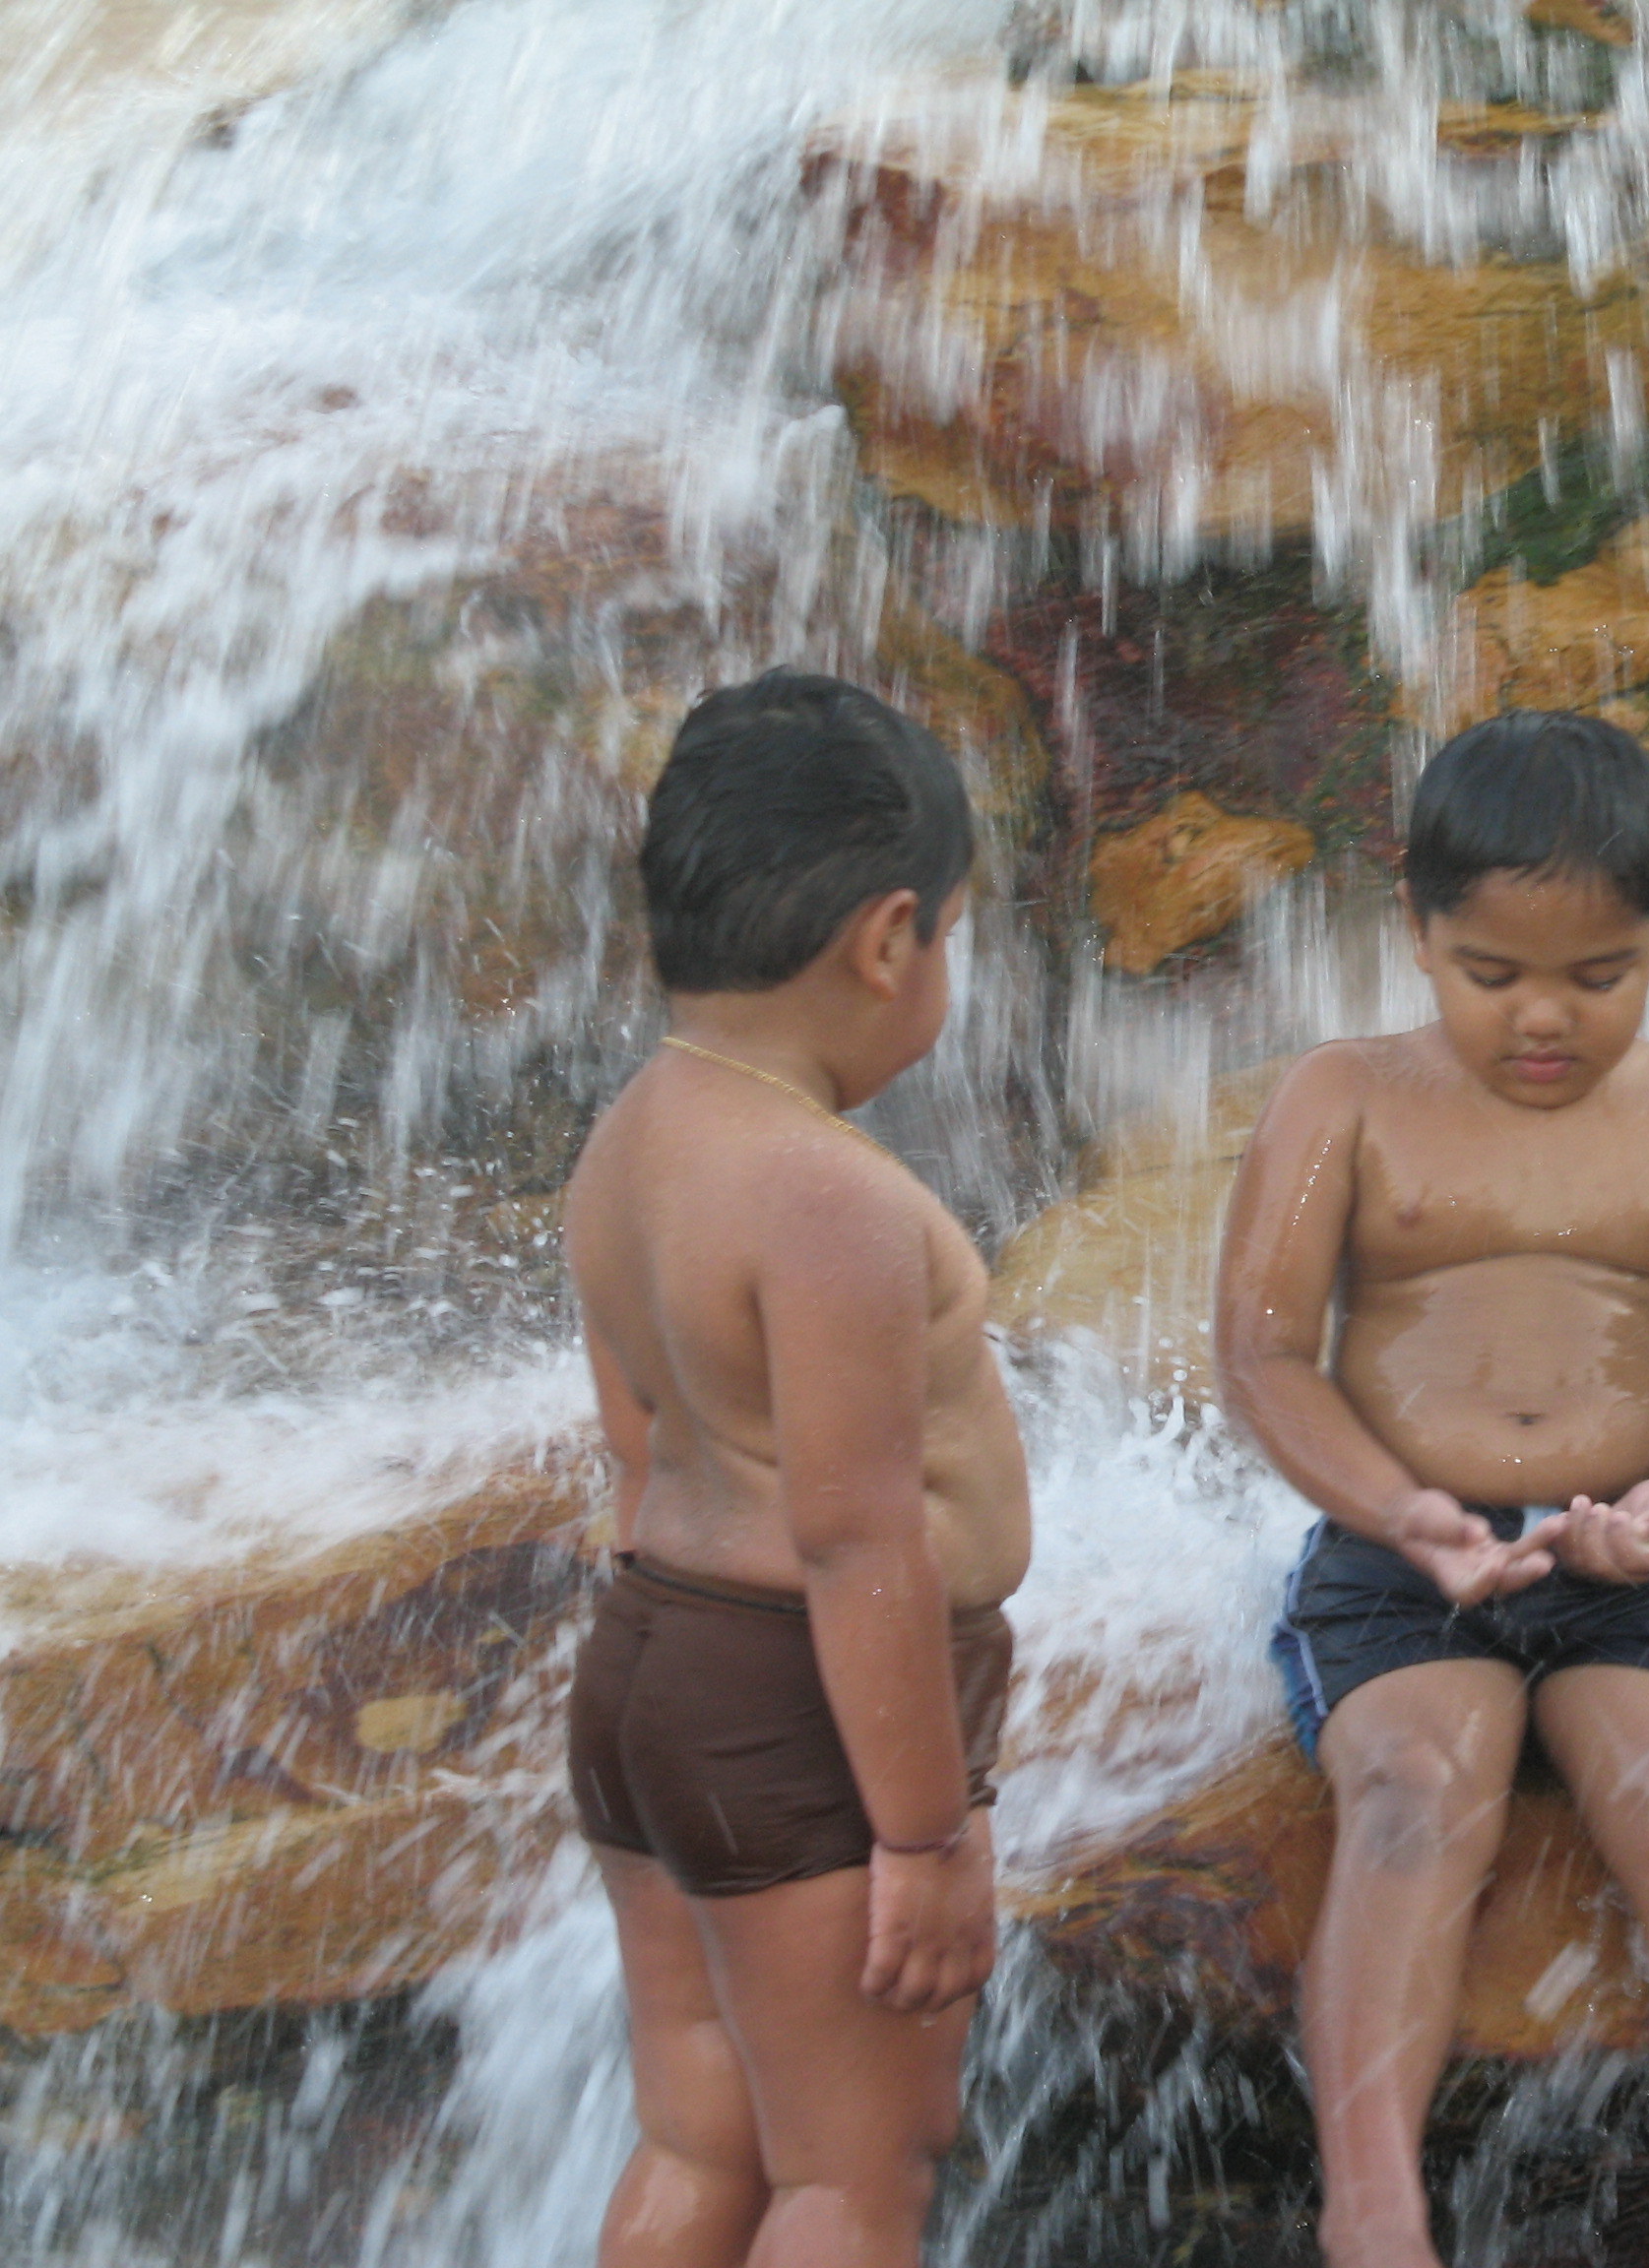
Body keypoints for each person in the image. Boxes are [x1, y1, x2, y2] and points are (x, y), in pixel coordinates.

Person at [1217, 710, 1649, 2268]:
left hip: (1639, 1554)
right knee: (1410, 1795)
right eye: (1492, 975)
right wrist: (1399, 1509)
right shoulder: (1342, 1100)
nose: (1545, 1018)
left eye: (1601, 976)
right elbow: (1266, 1356)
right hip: (1401, 1554)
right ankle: (1374, 2205)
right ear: (1417, 930)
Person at [562, 669, 1030, 2268]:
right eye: (950, 936)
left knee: (703, 2135)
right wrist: (925, 1839)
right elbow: (854, 1537)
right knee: (852, 2177)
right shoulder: (828, 1196)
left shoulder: (634, 1140)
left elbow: (639, 1453)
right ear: (890, 939)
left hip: (652, 1669)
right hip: (799, 1716)